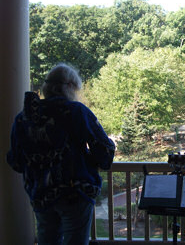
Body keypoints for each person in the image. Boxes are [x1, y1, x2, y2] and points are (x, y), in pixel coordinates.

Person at [7, 63, 115, 245]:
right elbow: (105, 151)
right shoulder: (76, 111)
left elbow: (16, 161)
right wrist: (88, 160)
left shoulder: (23, 118)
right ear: (70, 86)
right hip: (75, 193)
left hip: (40, 194)